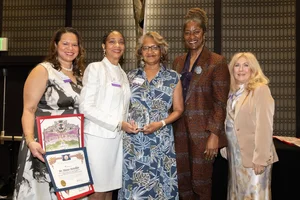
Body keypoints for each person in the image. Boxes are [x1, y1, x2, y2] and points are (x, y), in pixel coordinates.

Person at [13, 27, 86, 200]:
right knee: (42, 192)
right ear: (55, 45)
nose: (70, 48)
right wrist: (30, 141)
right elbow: (28, 109)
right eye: (65, 43)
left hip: (69, 142)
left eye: (74, 45)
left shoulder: (80, 74)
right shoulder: (43, 70)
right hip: (43, 144)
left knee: (69, 190)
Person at [172, 8, 230, 200]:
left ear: (204, 34)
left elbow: (220, 102)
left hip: (204, 135)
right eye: (187, 32)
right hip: (179, 133)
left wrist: (214, 134)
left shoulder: (217, 62)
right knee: (184, 184)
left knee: (201, 183)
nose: (192, 36)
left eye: (196, 31)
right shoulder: (178, 62)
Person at [118, 31, 184, 199]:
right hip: (133, 141)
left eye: (155, 47)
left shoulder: (173, 77)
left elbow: (178, 109)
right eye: (146, 48)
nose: (150, 51)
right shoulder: (130, 76)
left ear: (162, 51)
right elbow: (122, 107)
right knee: (135, 186)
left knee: (161, 184)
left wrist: (161, 123)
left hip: (160, 140)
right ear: (140, 52)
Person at [79, 30, 137, 200]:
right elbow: (86, 107)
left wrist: (127, 123)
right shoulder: (95, 68)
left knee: (110, 189)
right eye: (112, 42)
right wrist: (118, 123)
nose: (117, 46)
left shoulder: (123, 74)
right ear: (104, 46)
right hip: (97, 138)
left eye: (121, 42)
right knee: (98, 188)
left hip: (117, 140)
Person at [223, 52, 278, 199]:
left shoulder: (261, 90)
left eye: (246, 65)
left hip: (254, 158)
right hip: (235, 157)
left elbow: (265, 127)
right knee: (236, 194)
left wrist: (261, 158)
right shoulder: (232, 92)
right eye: (237, 65)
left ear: (253, 69)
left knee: (254, 195)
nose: (241, 69)